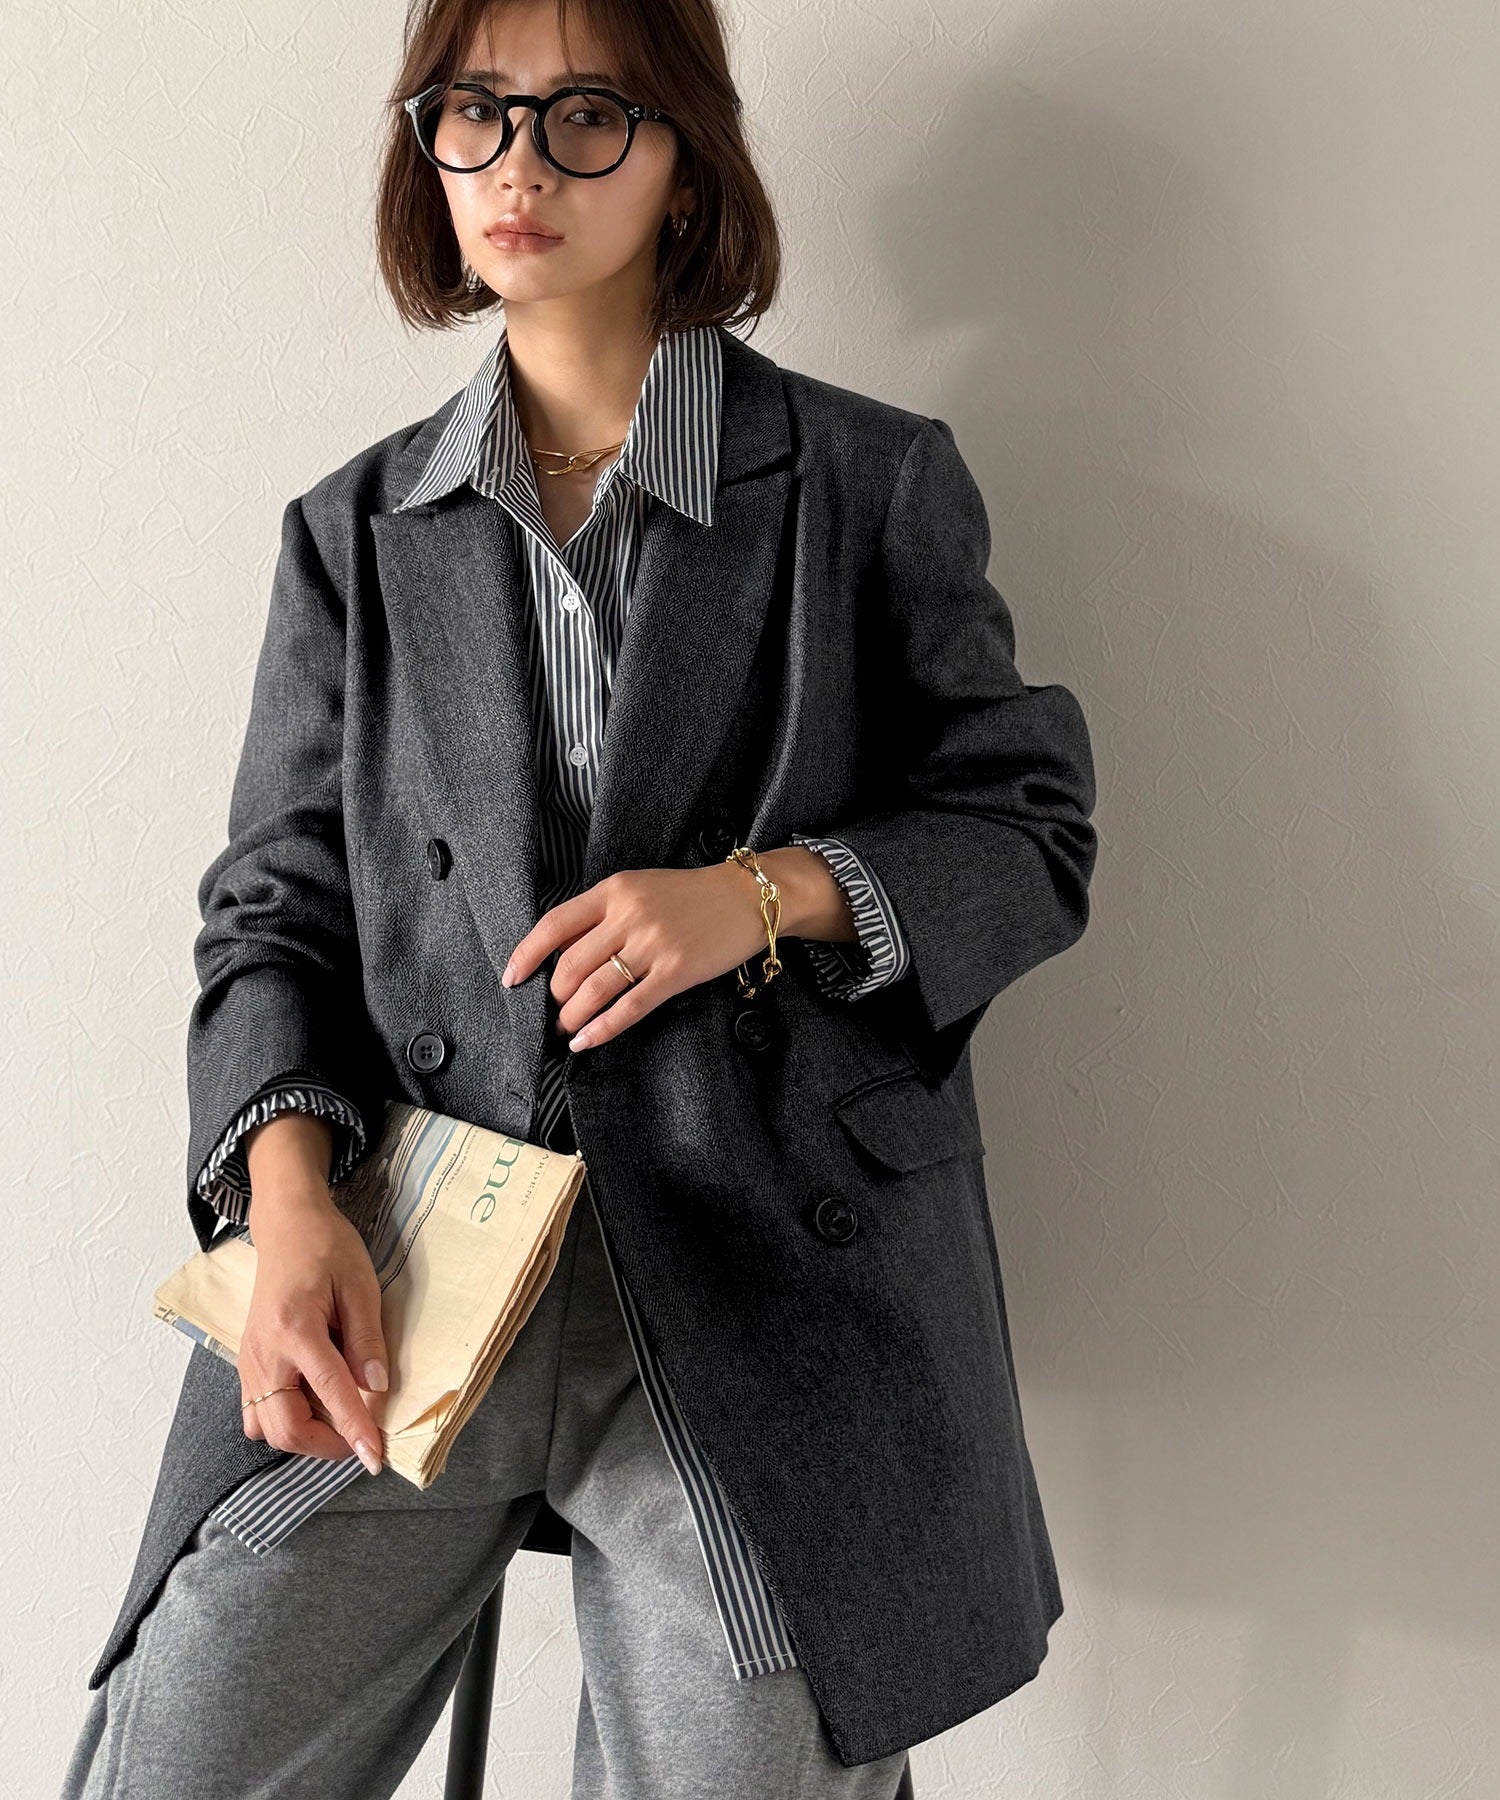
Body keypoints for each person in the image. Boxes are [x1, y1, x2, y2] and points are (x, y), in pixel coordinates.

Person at [62, 0, 1099, 1793]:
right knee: (171, 1752)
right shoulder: (354, 531)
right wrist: (283, 1205)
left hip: (753, 1278)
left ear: (686, 157)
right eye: (473, 111)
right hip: (413, 1268)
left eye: (587, 114)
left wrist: (761, 897)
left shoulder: (864, 482)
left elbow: (1030, 829)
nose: (520, 165)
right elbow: (274, 914)